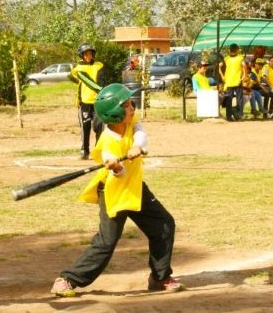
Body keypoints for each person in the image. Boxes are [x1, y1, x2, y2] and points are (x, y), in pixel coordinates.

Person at [51, 83, 183, 297]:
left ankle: (160, 277)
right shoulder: (108, 142)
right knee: (107, 241)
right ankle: (67, 279)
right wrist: (116, 167)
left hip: (136, 188)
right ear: (116, 114)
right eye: (128, 105)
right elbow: (118, 174)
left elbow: (140, 133)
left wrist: (137, 147)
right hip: (113, 191)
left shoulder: (131, 124)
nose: (133, 108)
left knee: (164, 225)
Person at [70, 43, 104, 160]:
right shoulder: (78, 69)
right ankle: (84, 151)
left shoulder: (99, 65)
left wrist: (103, 90)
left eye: (90, 53)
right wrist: (100, 89)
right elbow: (87, 81)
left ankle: (98, 151)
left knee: (99, 126)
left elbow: (102, 80)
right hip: (84, 101)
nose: (88, 55)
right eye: (86, 53)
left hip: (98, 101)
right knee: (85, 126)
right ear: (82, 55)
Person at [218, 44, 246, 121]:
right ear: (237, 50)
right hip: (237, 81)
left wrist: (222, 76)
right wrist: (244, 75)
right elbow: (244, 65)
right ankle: (239, 115)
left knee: (228, 99)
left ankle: (229, 116)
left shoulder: (226, 59)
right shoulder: (240, 58)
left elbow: (219, 66)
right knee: (239, 98)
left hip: (229, 82)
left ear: (229, 50)